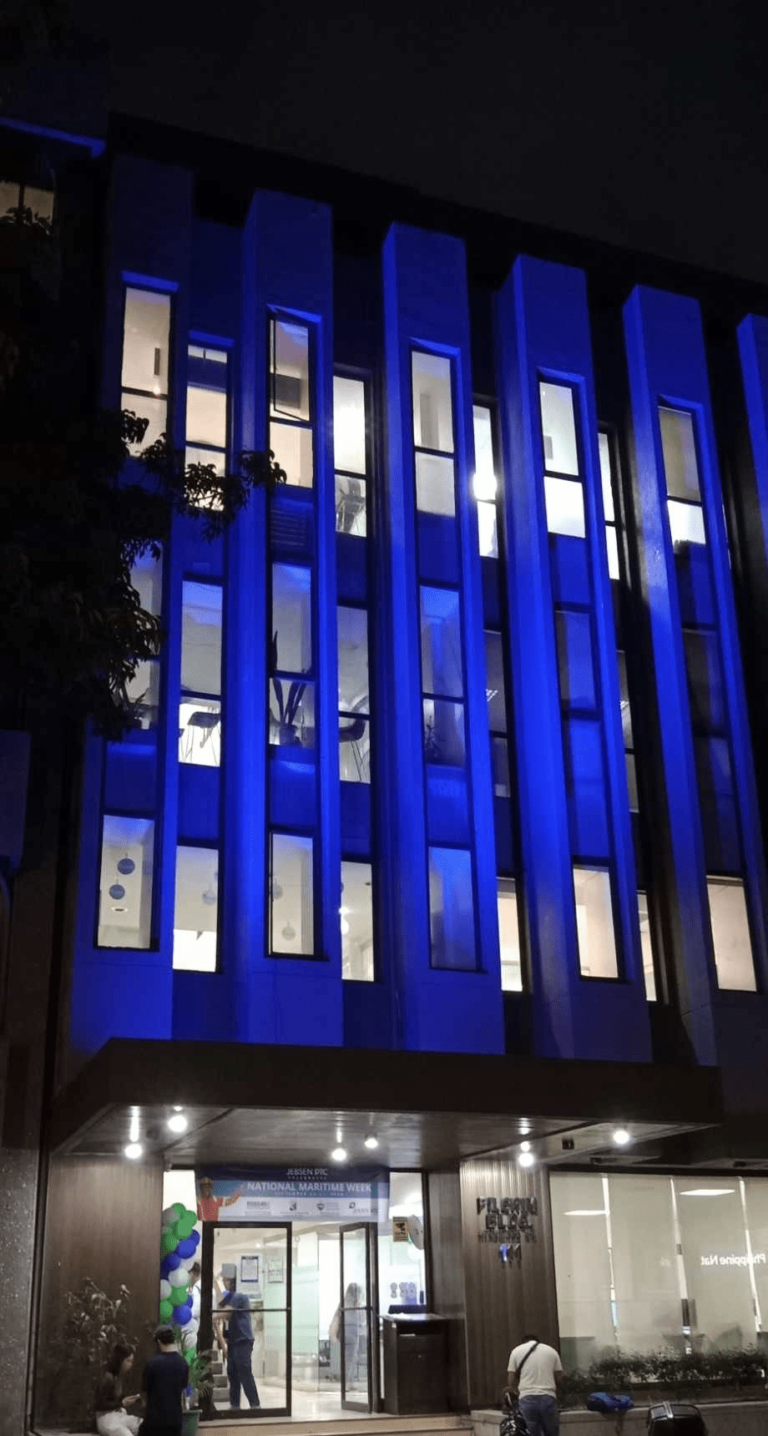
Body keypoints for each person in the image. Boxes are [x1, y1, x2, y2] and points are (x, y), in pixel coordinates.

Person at [507, 1333, 563, 1436]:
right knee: (552, 1432)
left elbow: (511, 1378)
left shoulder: (516, 1351)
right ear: (538, 1341)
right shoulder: (551, 1351)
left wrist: (516, 1391)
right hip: (548, 1397)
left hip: (527, 1398)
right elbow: (559, 1378)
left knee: (532, 1432)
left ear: (524, 1342)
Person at [141, 1325, 189, 1436]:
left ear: (158, 1342)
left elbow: (145, 1391)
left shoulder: (152, 1364)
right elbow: (183, 1389)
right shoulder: (183, 1364)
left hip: (155, 1421)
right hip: (175, 1420)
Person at [218, 1289, 260, 1409]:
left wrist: (215, 1315)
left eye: (226, 1279)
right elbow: (221, 1305)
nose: (225, 1282)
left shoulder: (240, 1295)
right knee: (232, 1372)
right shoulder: (230, 1295)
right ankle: (235, 1405)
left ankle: (255, 1405)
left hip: (243, 1339)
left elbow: (226, 1312)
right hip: (233, 1339)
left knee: (244, 1371)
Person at [95, 1344, 142, 1436]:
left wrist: (127, 1401)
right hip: (106, 1419)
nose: (130, 1364)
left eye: (132, 1361)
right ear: (120, 1361)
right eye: (128, 1361)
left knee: (145, 1426)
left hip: (118, 1415)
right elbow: (99, 1404)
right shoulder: (107, 1377)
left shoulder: (119, 1376)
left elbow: (118, 1400)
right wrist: (122, 1403)